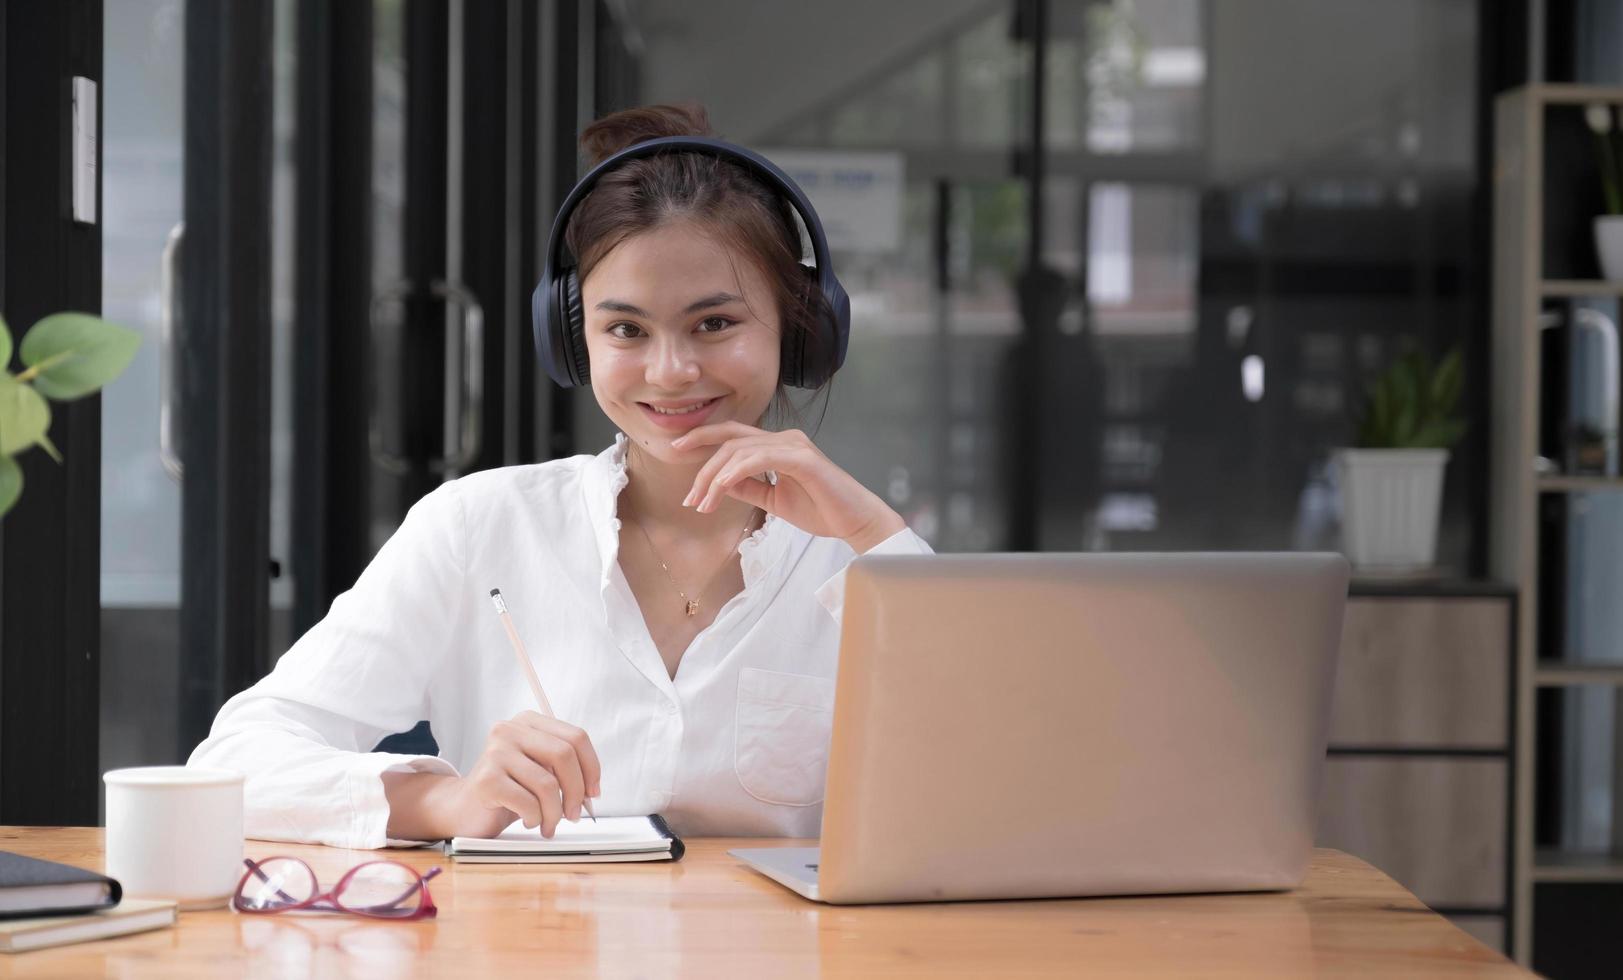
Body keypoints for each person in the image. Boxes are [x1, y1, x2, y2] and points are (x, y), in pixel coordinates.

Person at [187, 103, 932, 848]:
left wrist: (873, 537)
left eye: (714, 323)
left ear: (800, 329)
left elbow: (1011, 780)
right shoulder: (479, 526)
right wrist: (447, 804)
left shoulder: (859, 556)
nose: (670, 372)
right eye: (625, 330)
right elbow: (235, 764)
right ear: (574, 341)